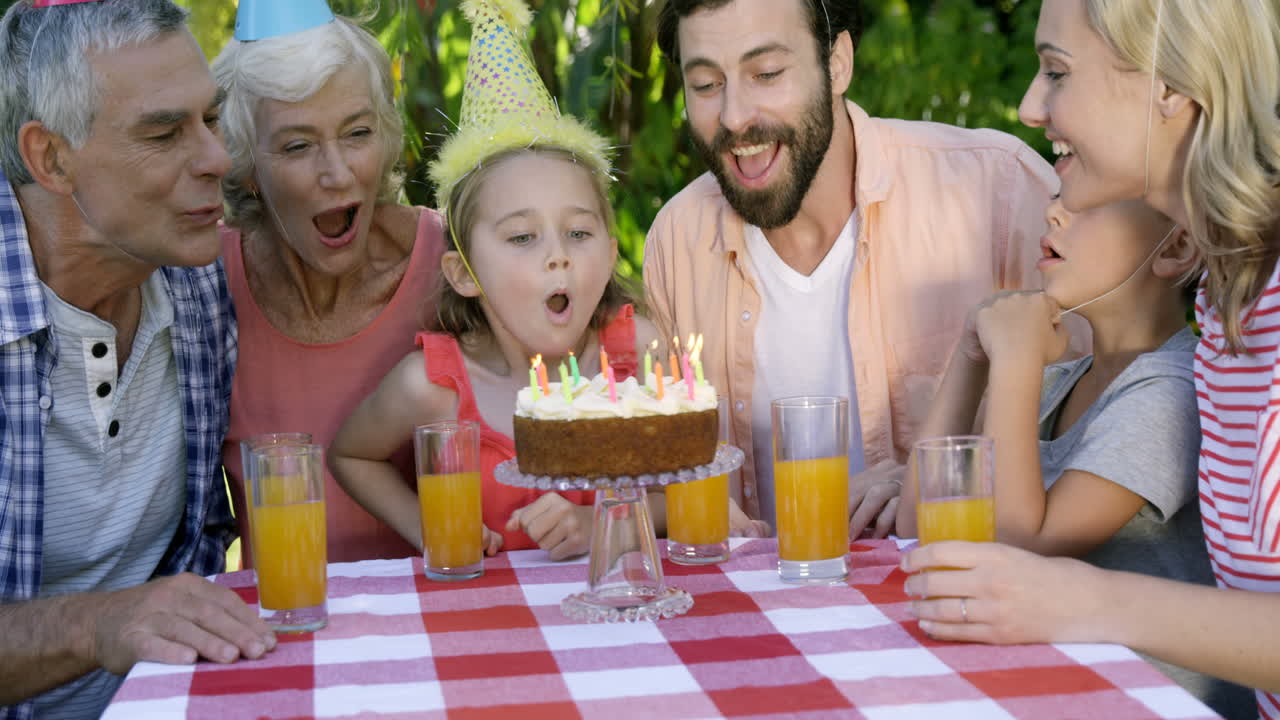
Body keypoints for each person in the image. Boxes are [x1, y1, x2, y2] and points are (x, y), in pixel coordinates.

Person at [901, 1, 1280, 718]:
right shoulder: (1227, 313)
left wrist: (1084, 599)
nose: (1028, 107)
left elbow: (1024, 541)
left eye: (1057, 72)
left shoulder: (1202, 347)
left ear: (1169, 85)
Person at [644, 0, 1073, 538]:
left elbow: (1103, 425)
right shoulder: (678, 240)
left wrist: (934, 483)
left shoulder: (1000, 191)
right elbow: (655, 480)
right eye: (706, 85)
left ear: (837, 63)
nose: (733, 116)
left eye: (767, 73)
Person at [0, 1, 275, 718]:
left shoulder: (196, 280)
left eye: (210, 119)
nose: (218, 159)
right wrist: (97, 626)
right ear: (51, 157)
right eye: (163, 133)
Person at [897, 195, 1254, 716]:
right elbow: (918, 529)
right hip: (1060, 685)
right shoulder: (1058, 384)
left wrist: (1015, 354)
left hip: (1151, 702)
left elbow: (1020, 545)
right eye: (1057, 199)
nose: (1054, 213)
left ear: (1175, 247)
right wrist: (971, 356)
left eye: (1090, 205)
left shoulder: (1174, 388)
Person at [328, 0, 657, 560]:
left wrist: (606, 523)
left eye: (579, 233)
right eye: (522, 237)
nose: (558, 257)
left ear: (609, 254)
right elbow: (352, 455)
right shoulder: (434, 388)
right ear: (464, 273)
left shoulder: (640, 359)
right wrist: (429, 527)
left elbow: (702, 491)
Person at [210, 2, 446, 566]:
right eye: (297, 146)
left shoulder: (456, 266)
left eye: (358, 133)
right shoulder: (203, 288)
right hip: (284, 614)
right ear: (245, 165)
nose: (338, 174)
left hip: (447, 604)